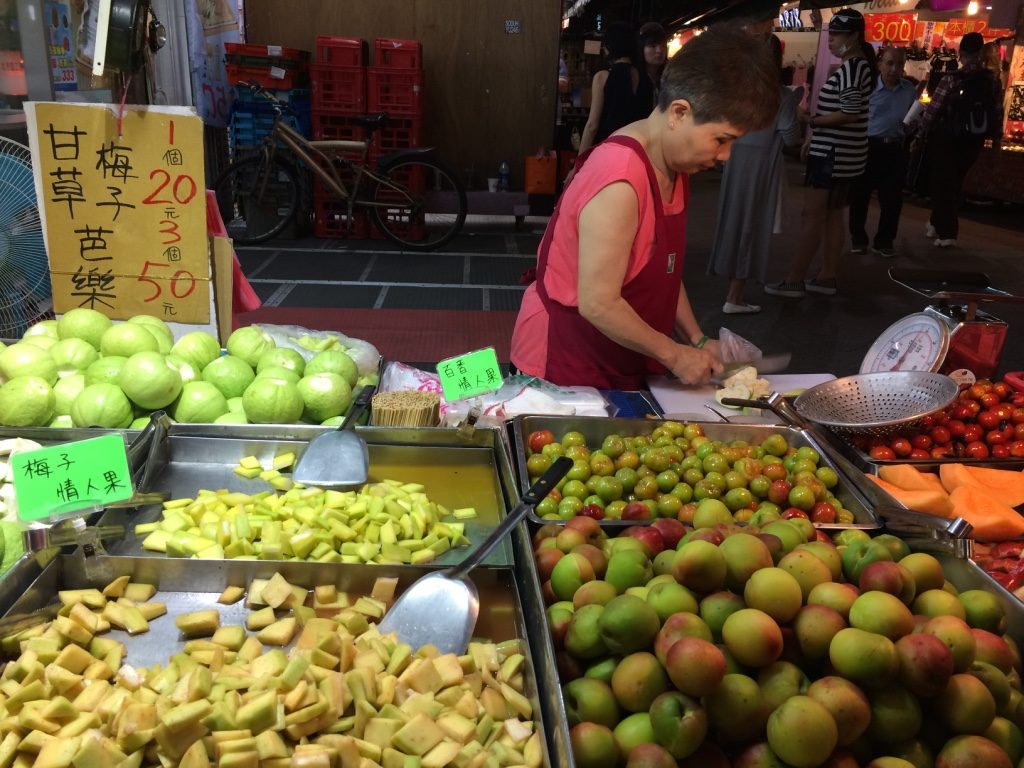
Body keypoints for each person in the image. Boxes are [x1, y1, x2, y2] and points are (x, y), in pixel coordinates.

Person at [510, 29, 781, 389]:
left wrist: (696, 340)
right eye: (722, 139)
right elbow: (598, 303)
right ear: (679, 113)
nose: (725, 156)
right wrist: (674, 354)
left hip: (624, 356)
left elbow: (663, 272)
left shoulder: (674, 164)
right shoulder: (619, 178)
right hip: (569, 363)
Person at [765, 8, 876, 299]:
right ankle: (827, 276)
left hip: (834, 156)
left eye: (838, 34)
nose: (832, 40)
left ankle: (794, 279)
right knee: (831, 216)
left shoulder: (853, 68)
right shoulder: (859, 66)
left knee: (812, 216)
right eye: (832, 33)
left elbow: (848, 113)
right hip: (842, 154)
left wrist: (810, 122)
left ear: (853, 36)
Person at [708, 21, 803, 315]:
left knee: (733, 221)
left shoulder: (737, 90)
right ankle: (735, 297)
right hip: (762, 165)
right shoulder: (781, 96)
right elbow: (791, 137)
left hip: (735, 159)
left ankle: (731, 291)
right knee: (751, 225)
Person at [915, 32, 1003, 247]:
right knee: (954, 181)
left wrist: (920, 134)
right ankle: (936, 223)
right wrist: (995, 144)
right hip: (973, 140)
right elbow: (998, 113)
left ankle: (947, 234)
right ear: (981, 53)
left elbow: (932, 111)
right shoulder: (992, 81)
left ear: (961, 54)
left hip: (946, 138)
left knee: (942, 183)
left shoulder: (951, 79)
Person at [848, 46, 919, 258]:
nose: (894, 69)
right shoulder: (868, 88)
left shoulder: (908, 90)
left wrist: (913, 124)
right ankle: (858, 239)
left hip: (895, 147)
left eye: (899, 64)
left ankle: (884, 241)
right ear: (880, 64)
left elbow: (908, 125)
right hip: (869, 146)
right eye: (889, 63)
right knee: (860, 195)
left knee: (892, 199)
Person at [576, 22, 646, 154]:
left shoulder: (602, 77)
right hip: (632, 150)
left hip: (605, 149)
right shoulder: (642, 77)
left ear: (610, 47)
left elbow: (592, 126)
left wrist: (578, 163)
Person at [636, 22, 669, 114]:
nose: (659, 51)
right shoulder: (635, 77)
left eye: (663, 46)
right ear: (641, 49)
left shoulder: (669, 76)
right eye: (652, 46)